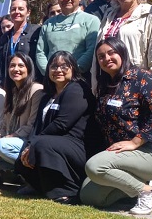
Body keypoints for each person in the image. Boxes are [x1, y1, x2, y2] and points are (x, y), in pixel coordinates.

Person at [80, 37, 152, 215]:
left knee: (95, 167)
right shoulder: (105, 85)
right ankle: (138, 184)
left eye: (111, 52)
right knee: (89, 196)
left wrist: (135, 142)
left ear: (122, 52)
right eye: (101, 56)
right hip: (122, 155)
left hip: (151, 149)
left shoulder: (142, 77)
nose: (106, 58)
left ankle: (146, 192)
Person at [13, 51, 98, 203]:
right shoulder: (47, 96)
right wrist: (29, 143)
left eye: (64, 66)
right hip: (56, 142)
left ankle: (69, 190)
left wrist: (35, 142)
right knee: (27, 146)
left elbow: (62, 124)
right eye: (54, 66)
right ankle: (38, 186)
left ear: (73, 68)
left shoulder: (77, 89)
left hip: (78, 145)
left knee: (41, 144)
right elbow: (38, 126)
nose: (58, 70)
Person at [0, 53, 44, 173]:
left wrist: (4, 140)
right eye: (12, 66)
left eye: (21, 66)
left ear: (28, 69)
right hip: (9, 141)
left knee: (1, 145)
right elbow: (4, 124)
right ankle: (17, 172)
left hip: (27, 141)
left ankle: (33, 173)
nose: (16, 69)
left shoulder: (37, 89)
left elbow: (31, 126)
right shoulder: (11, 91)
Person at [36, 0, 100, 76]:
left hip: (79, 79)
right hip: (52, 79)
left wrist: (74, 71)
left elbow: (92, 49)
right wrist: (49, 73)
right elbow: (40, 52)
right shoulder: (48, 24)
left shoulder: (91, 20)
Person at [0, 0, 40, 84]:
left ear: (28, 12)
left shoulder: (37, 31)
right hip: (10, 85)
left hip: (31, 83)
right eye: (13, 9)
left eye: (21, 9)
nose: (17, 12)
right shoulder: (5, 37)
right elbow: (1, 65)